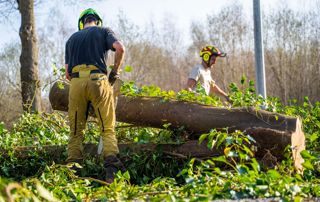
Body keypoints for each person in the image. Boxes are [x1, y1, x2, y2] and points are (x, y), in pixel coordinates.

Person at [64, 8, 125, 183]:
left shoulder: (71, 39)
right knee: (107, 128)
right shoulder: (103, 31)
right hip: (98, 80)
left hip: (75, 84)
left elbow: (67, 73)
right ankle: (111, 170)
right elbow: (120, 49)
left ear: (81, 23)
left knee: (75, 131)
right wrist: (114, 72)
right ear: (97, 21)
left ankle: (72, 175)